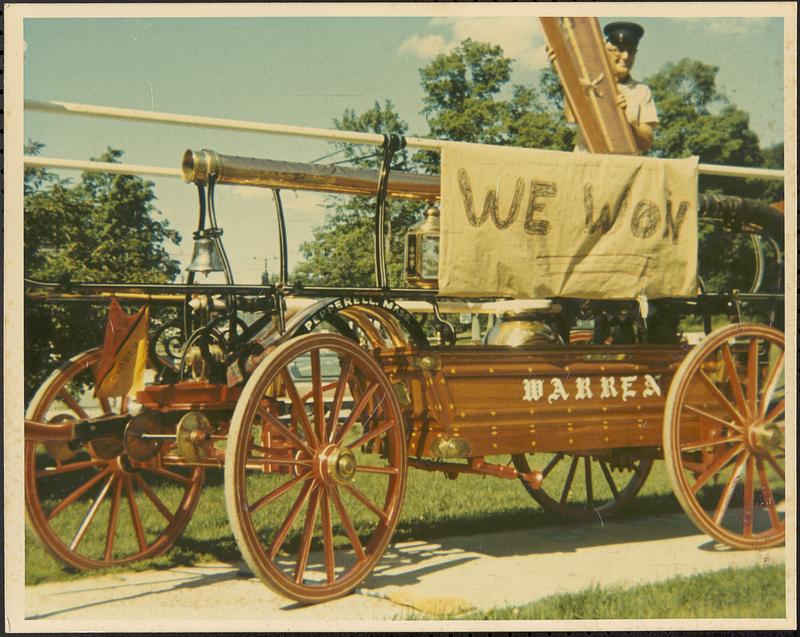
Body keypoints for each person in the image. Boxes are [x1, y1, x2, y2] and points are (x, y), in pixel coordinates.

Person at [549, 21, 659, 154]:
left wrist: (623, 122)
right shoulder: (589, 81)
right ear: (605, 52)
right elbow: (572, 117)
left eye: (631, 51)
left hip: (623, 168)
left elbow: (646, 142)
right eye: (619, 50)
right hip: (588, 163)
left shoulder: (642, 91)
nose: (626, 56)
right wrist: (566, 73)